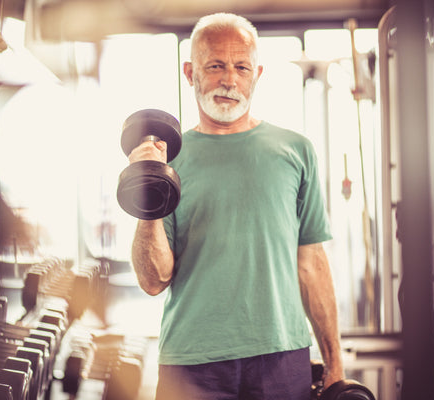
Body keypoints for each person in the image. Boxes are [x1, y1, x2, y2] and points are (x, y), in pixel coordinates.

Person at [129, 12, 344, 400]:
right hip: (192, 361)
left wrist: (335, 364)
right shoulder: (167, 160)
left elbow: (311, 265)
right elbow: (153, 280)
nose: (229, 79)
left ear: (257, 74)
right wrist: (148, 188)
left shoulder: (296, 151)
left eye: (241, 67)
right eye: (215, 66)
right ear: (190, 71)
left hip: (281, 356)